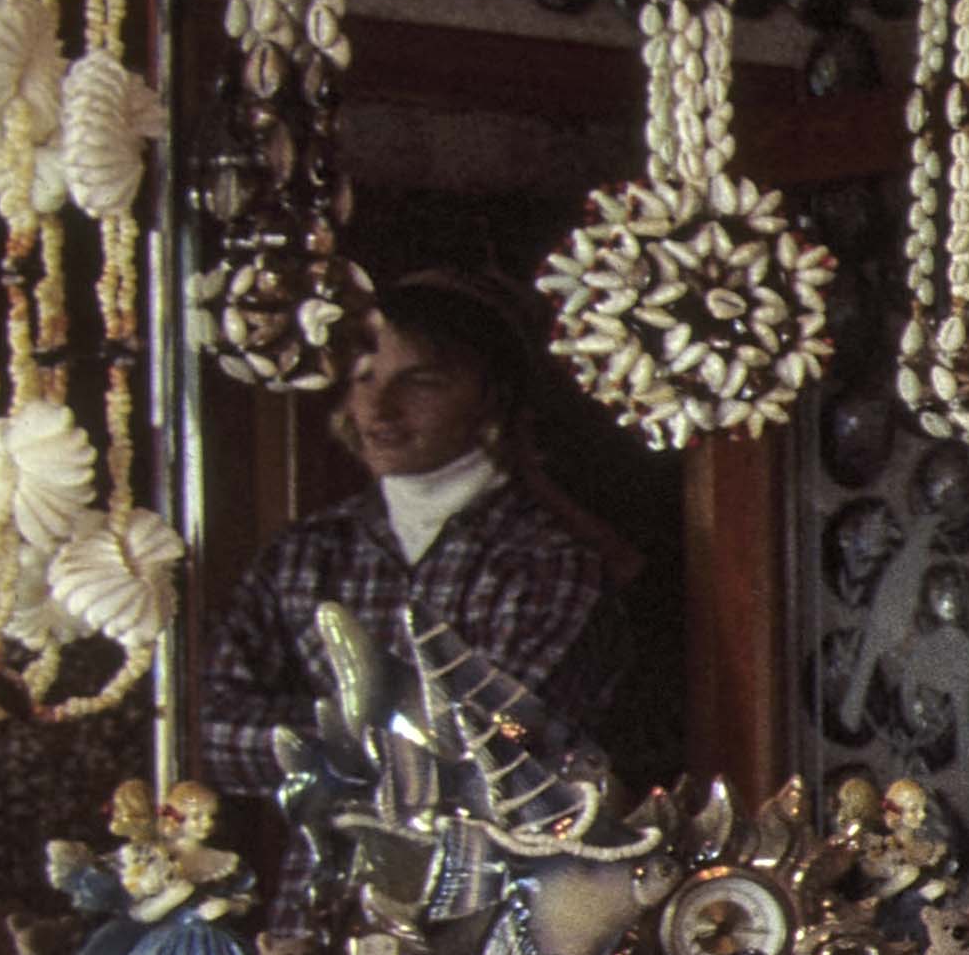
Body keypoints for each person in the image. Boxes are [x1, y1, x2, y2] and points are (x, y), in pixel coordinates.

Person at [194, 272, 649, 823]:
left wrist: (311, 745)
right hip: (321, 900)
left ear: (491, 396)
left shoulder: (548, 562)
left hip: (497, 889)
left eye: (421, 382)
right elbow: (209, 732)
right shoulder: (306, 553)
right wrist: (380, 743)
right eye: (364, 378)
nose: (380, 408)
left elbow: (486, 751)